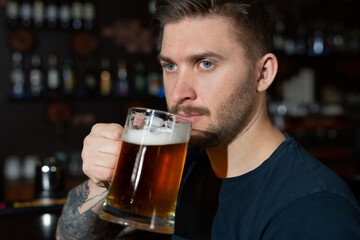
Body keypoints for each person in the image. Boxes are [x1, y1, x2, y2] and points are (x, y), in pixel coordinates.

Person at [56, 0, 360, 239]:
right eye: (170, 65)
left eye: (205, 63)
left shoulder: (314, 210)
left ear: (263, 73)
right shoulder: (177, 168)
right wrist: (100, 181)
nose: (178, 92)